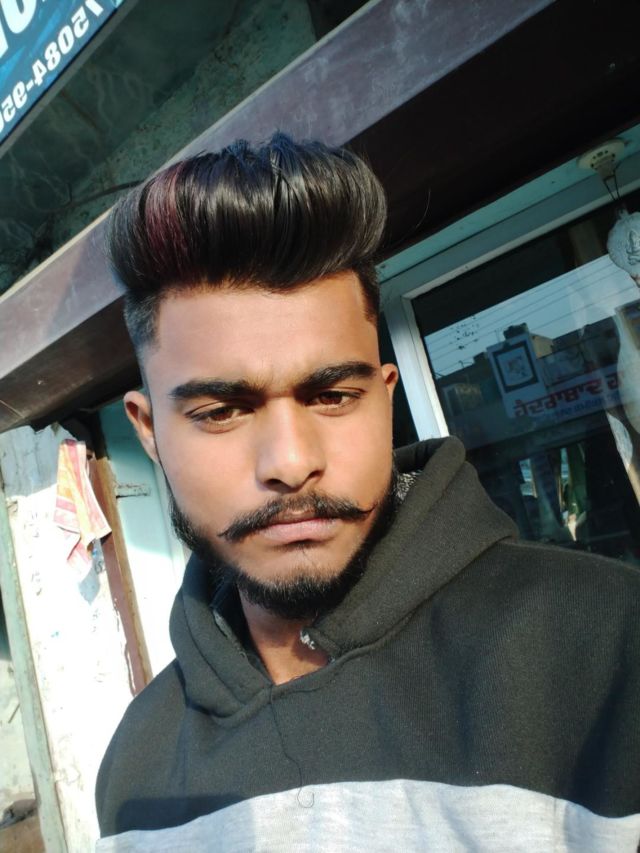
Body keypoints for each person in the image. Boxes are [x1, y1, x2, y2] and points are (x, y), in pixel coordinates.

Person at [95, 134, 640, 852]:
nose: (292, 464)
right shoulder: (136, 773)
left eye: (332, 396)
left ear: (385, 399)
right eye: (222, 411)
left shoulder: (610, 651)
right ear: (149, 431)